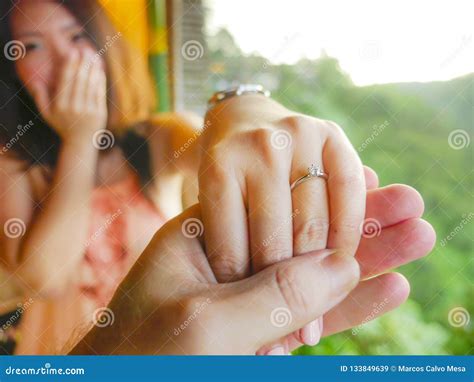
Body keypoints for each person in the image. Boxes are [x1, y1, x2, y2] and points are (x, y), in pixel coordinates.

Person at [0, 0, 435, 354]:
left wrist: (245, 106)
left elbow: (219, 147)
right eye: (31, 46)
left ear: (103, 47)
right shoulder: (14, 160)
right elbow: (46, 277)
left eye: (76, 36)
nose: (63, 59)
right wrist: (81, 135)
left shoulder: (152, 139)